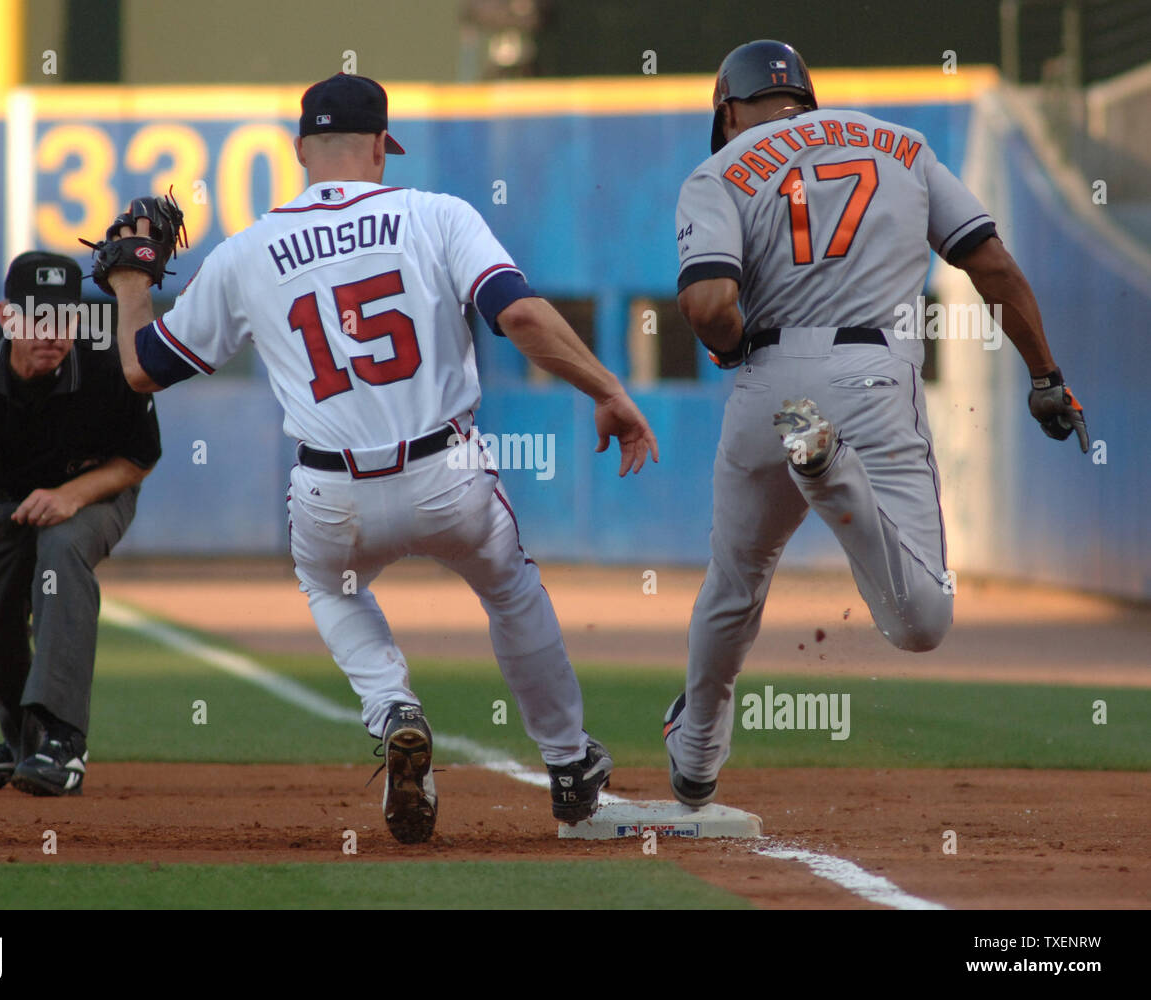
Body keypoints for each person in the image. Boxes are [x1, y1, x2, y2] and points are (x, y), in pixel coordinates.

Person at [98, 73, 658, 843]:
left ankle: (393, 707)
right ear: (378, 147)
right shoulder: (437, 215)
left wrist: (132, 281)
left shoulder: (248, 249)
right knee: (509, 588)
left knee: (330, 588)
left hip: (334, 492)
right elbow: (521, 315)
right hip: (447, 475)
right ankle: (566, 764)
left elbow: (140, 368)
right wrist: (607, 388)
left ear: (300, 151)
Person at [664, 40, 1088, 806]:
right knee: (921, 622)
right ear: (808, 98)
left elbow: (707, 306)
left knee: (732, 588)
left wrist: (730, 350)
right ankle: (830, 471)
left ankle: (695, 753)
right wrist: (1046, 376)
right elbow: (990, 264)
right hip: (874, 376)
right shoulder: (903, 144)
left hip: (770, 385)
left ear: (727, 110)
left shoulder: (718, 171)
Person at [0, 251, 162, 796]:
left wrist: (70, 496)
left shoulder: (108, 360)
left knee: (62, 551)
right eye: (35, 317)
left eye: (63, 317)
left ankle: (62, 743)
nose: (51, 331)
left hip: (93, 489)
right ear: (6, 316)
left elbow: (139, 458)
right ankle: (26, 747)